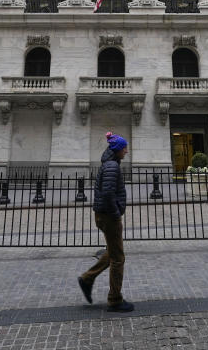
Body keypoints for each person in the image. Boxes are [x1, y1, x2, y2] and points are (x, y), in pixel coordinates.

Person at [78, 132, 133, 312]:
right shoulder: (112, 166)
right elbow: (109, 193)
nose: (126, 151)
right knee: (118, 258)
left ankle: (87, 278)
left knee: (112, 252)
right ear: (117, 150)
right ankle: (115, 299)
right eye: (124, 148)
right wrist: (116, 214)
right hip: (109, 216)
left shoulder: (109, 164)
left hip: (104, 214)